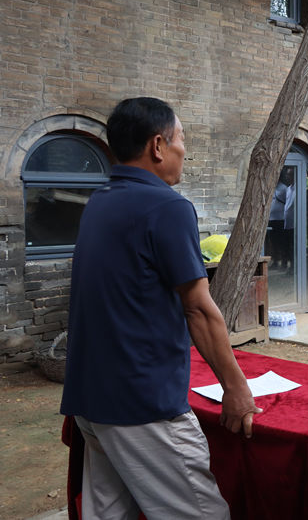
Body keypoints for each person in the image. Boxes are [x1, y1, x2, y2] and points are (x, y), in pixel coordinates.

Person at [60, 97, 259, 519]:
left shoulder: (99, 203)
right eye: (181, 139)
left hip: (89, 397)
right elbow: (199, 311)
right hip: (141, 405)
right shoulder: (168, 207)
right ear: (157, 145)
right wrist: (237, 388)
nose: (185, 150)